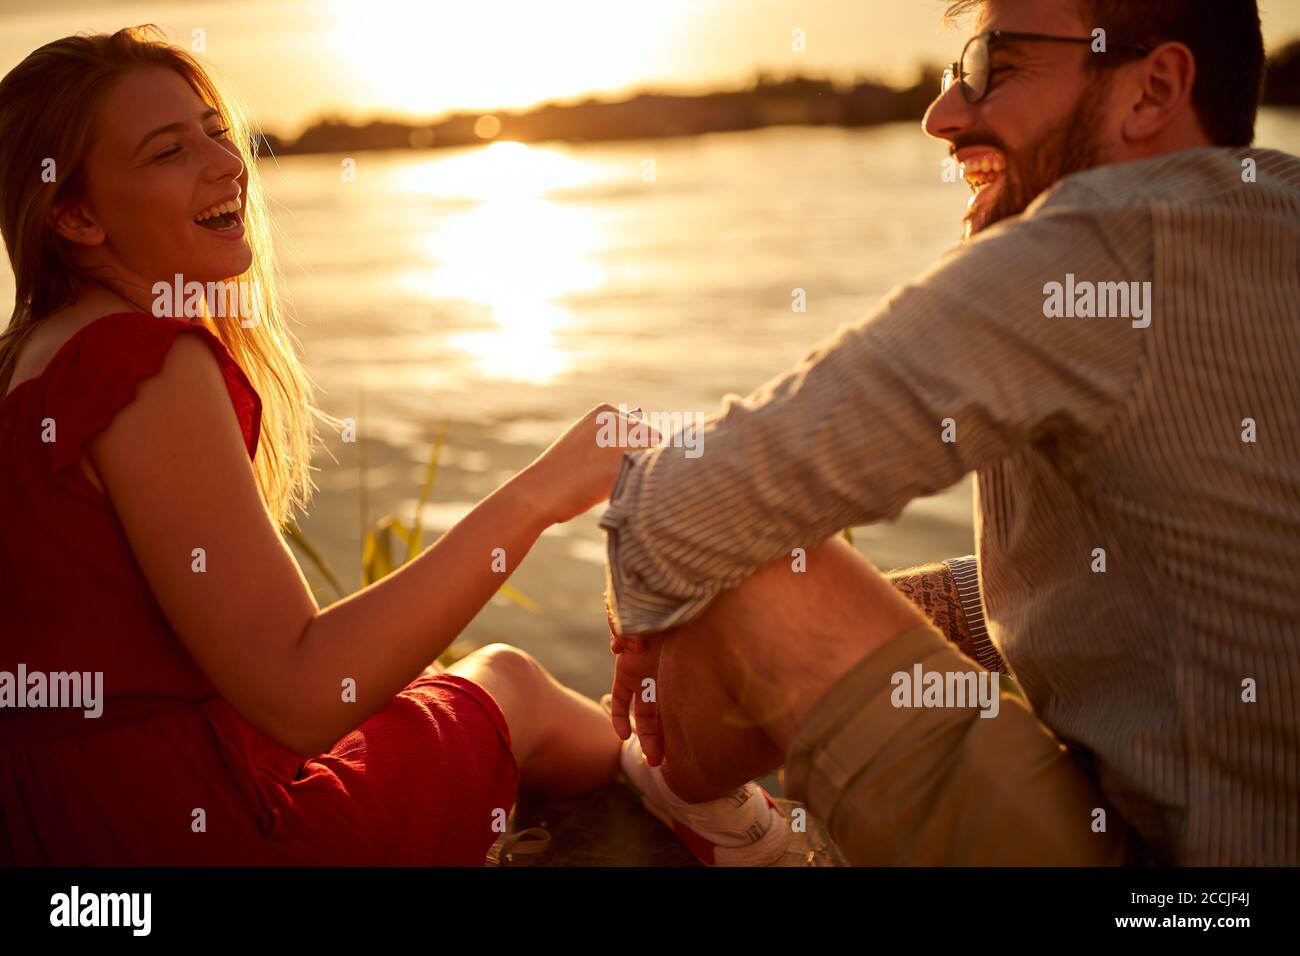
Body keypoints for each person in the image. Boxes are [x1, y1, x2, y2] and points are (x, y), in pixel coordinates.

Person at [0, 26, 787, 866]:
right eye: (167, 152)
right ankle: (710, 812)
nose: (227, 164)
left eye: (215, 130)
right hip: (199, 833)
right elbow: (302, 694)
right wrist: (541, 493)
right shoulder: (141, 362)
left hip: (63, 821)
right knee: (509, 681)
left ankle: (667, 789)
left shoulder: (29, 360)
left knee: (455, 689)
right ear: (76, 215)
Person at [602, 0, 1300, 865]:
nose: (943, 114)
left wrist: (651, 619)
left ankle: (710, 820)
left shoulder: (1098, 245)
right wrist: (918, 602)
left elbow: (677, 513)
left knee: (749, 568)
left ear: (1152, 89)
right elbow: (1172, 571)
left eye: (991, 68)